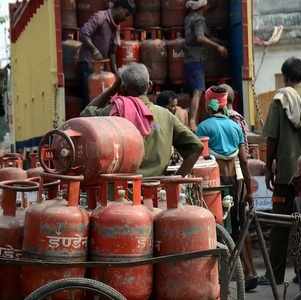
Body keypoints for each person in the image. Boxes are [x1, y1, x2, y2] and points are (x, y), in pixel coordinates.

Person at [80, 63, 203, 177]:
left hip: (121, 190)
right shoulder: (166, 115)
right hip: (158, 189)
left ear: (122, 88)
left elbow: (84, 116)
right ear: (149, 86)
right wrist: (176, 179)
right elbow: (196, 147)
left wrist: (112, 89)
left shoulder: (113, 112)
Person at [262, 57, 301, 285]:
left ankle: (275, 275)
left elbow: (272, 138)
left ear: (284, 76)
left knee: (280, 225)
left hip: (286, 174)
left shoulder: (279, 100)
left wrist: (268, 168)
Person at [196, 85, 257, 291]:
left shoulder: (203, 127)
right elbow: (244, 161)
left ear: (209, 105)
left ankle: (223, 280)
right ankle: (249, 271)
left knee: (217, 227)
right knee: (239, 225)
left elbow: (199, 160)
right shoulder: (235, 127)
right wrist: (250, 191)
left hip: (215, 183)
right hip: (237, 181)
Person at [78, 0, 135, 107]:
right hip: (87, 64)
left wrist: (115, 72)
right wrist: (94, 50)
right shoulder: (100, 17)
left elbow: (112, 51)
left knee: (102, 99)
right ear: (119, 8)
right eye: (126, 14)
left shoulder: (116, 26)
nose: (126, 18)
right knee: (89, 99)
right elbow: (83, 34)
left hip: (101, 68)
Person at [184, 0, 228, 131]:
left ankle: (193, 120)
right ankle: (192, 122)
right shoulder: (199, 19)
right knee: (198, 91)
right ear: (202, 6)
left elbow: (204, 35)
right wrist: (218, 46)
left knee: (194, 91)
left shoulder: (188, 18)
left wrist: (218, 41)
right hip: (196, 58)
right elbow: (200, 37)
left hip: (189, 58)